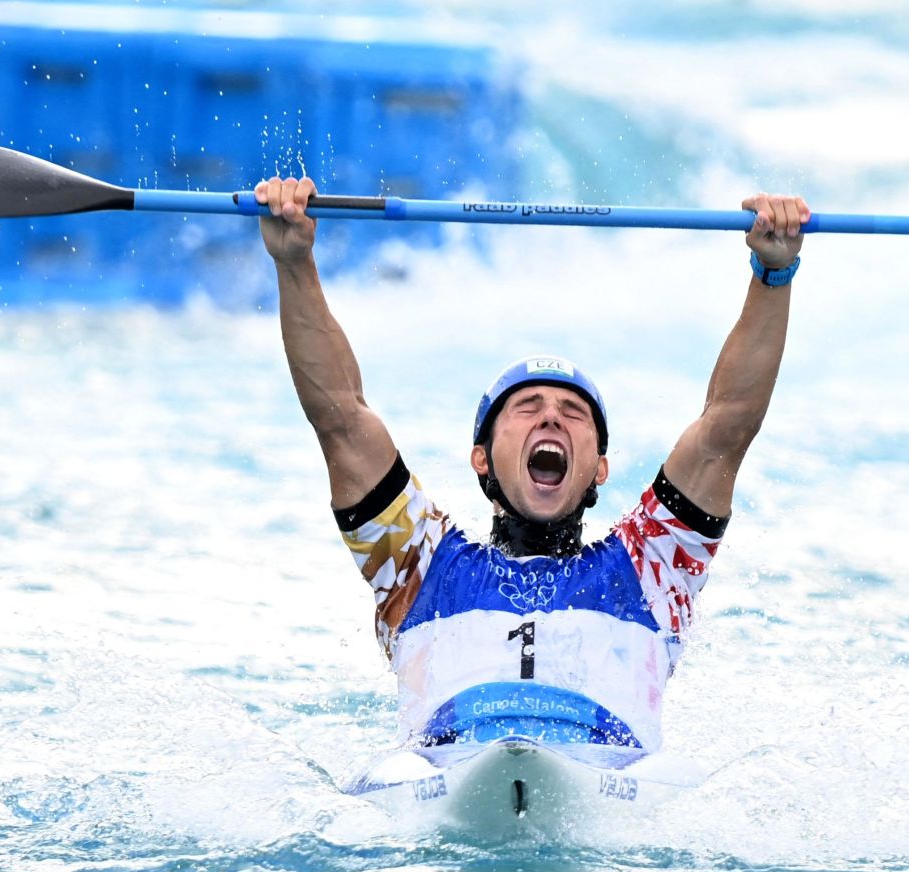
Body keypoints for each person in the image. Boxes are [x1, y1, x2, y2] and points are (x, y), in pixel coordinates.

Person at [255, 176, 807, 752]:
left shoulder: (651, 567)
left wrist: (773, 273)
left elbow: (728, 426)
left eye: (573, 412)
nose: (551, 419)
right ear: (481, 459)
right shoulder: (418, 566)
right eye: (527, 408)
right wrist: (294, 262)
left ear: (599, 467)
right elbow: (341, 421)